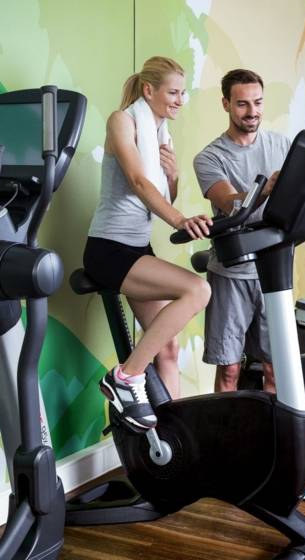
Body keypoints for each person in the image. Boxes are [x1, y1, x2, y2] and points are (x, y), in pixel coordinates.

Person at [84, 56, 212, 432]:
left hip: (137, 249)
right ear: (148, 90)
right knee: (197, 289)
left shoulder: (160, 134)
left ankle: (177, 440)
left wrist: (173, 177)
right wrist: (180, 220)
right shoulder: (122, 121)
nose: (180, 100)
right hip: (109, 249)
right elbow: (139, 182)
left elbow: (160, 192)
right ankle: (125, 377)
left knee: (168, 348)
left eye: (183, 93)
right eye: (173, 93)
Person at [192, 69, 291, 394]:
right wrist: (265, 189)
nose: (252, 112)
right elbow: (228, 202)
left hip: (274, 270)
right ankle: (223, 427)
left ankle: (275, 425)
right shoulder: (210, 157)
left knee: (276, 367)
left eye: (258, 102)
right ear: (226, 104)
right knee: (230, 369)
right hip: (231, 273)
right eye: (242, 104)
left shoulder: (282, 145)